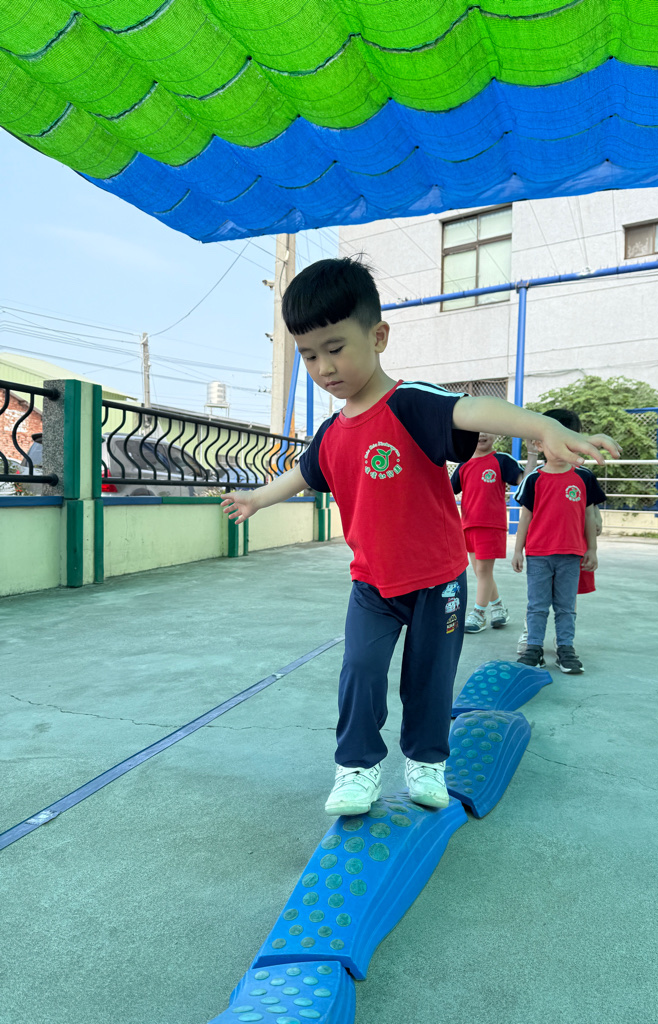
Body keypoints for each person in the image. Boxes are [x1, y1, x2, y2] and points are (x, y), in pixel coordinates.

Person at [221, 258, 619, 816]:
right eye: (309, 355)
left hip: (438, 582)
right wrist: (257, 498)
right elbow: (305, 473)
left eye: (335, 348)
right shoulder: (331, 433)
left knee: (429, 678)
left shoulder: (410, 403)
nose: (323, 367)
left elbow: (474, 408)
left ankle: (427, 761)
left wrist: (543, 426)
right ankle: (357, 768)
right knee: (360, 670)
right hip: (372, 584)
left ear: (378, 336)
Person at [512, 408, 607, 674]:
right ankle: (534, 648)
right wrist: (518, 550)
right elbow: (525, 517)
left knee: (566, 607)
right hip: (538, 555)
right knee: (537, 606)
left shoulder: (584, 477)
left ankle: (566, 648)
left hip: (571, 555)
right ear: (538, 443)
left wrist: (592, 549)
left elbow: (589, 515)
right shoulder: (534, 479)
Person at [450, 432, 522, 633]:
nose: (481, 434)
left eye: (486, 429)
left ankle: (479, 614)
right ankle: (498, 607)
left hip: (491, 525)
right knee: (482, 572)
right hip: (468, 525)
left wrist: (533, 455)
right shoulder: (463, 464)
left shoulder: (502, 460)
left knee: (483, 571)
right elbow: (448, 489)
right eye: (476, 430)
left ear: (495, 433)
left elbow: (524, 481)